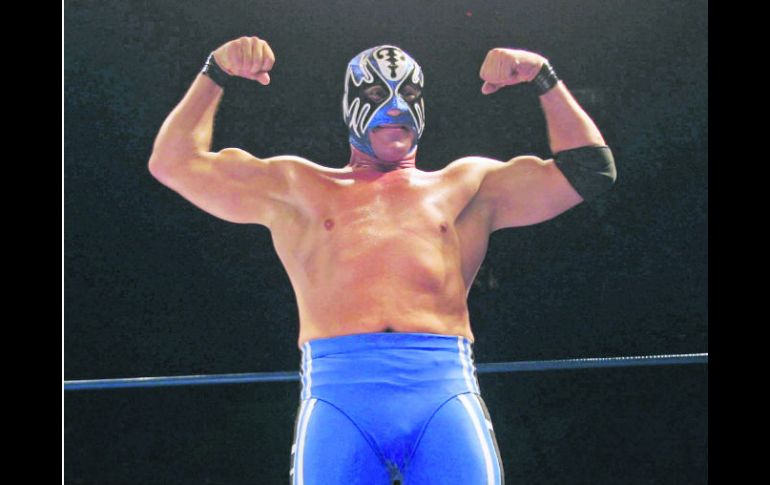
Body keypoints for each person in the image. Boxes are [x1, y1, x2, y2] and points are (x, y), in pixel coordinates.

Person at [148, 36, 616, 485]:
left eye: (408, 94)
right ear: (351, 105)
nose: (395, 107)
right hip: (339, 397)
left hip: (442, 392)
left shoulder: (466, 187)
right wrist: (216, 70)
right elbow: (173, 163)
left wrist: (542, 76)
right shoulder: (298, 187)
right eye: (376, 94)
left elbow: (591, 169)